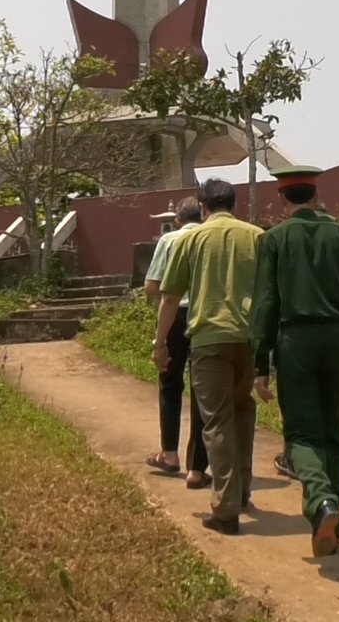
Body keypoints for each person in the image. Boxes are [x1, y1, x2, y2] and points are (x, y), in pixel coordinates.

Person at [250, 164, 339, 557]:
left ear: (282, 198)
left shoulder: (273, 240)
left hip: (297, 341)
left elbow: (266, 304)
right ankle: (332, 512)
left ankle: (321, 502)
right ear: (316, 195)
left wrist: (260, 363)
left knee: (303, 433)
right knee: (331, 428)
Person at [154, 178, 263, 535]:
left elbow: (170, 297)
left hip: (209, 340)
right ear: (233, 203)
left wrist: (160, 343)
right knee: (243, 412)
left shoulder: (191, 238)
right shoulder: (257, 236)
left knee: (215, 422)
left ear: (202, 206)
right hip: (248, 339)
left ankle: (226, 508)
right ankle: (243, 491)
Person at [142, 197, 209, 488]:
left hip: (175, 317)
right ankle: (197, 467)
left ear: (178, 219)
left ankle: (169, 453)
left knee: (170, 383)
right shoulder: (209, 238)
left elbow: (152, 286)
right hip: (206, 317)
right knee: (201, 390)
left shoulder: (170, 239)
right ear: (204, 215)